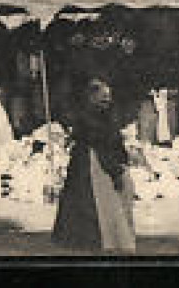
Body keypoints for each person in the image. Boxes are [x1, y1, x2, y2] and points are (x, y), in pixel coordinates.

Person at [52, 77, 137, 253]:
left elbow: (112, 140)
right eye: (102, 96)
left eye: (108, 96)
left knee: (108, 202)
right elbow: (101, 141)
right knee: (92, 202)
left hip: (99, 159)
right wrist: (115, 168)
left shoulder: (104, 116)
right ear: (91, 97)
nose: (107, 100)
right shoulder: (89, 118)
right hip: (93, 162)